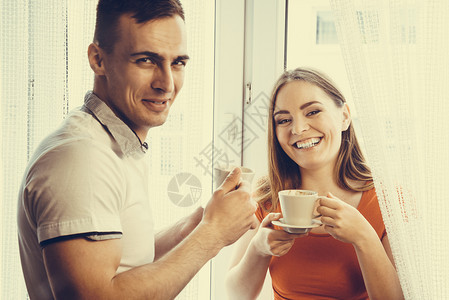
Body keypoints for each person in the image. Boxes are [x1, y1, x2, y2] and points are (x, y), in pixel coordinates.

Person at [17, 1, 257, 299]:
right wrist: (212, 235)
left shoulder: (112, 142)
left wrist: (197, 225)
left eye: (178, 62)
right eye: (146, 60)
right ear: (98, 59)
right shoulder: (82, 158)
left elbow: (124, 263)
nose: (167, 84)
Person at [225, 67, 404, 299]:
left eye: (312, 112)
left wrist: (363, 236)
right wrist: (258, 249)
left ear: (345, 116)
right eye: (284, 120)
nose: (297, 129)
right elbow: (235, 295)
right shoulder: (267, 198)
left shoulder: (390, 201)